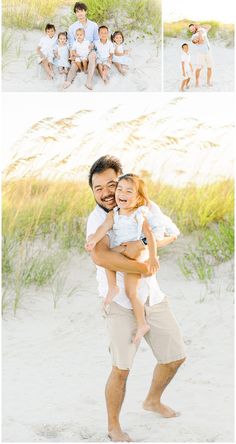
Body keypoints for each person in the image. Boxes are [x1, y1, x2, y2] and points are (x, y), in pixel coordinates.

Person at [86, 155, 186, 442]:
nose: (106, 192)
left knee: (175, 356)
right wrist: (142, 266)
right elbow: (102, 256)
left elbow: (167, 235)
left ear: (124, 184)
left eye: (112, 184)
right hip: (119, 303)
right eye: (98, 187)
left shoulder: (144, 207)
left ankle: (152, 400)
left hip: (151, 295)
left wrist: (142, 244)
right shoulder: (100, 218)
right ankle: (113, 427)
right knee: (121, 369)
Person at [86, 173, 176, 344]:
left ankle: (141, 324)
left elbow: (150, 235)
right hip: (124, 251)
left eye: (128, 191)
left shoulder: (139, 213)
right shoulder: (113, 214)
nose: (121, 194)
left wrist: (152, 257)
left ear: (138, 198)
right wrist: (93, 241)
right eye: (120, 189)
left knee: (131, 292)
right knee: (110, 257)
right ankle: (113, 288)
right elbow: (103, 228)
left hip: (135, 254)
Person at [67, 1, 99, 90]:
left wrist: (92, 45)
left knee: (93, 56)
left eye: (81, 10)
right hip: (78, 51)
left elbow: (97, 40)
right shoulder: (72, 27)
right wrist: (72, 54)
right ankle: (68, 81)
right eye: (77, 11)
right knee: (74, 64)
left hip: (89, 50)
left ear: (85, 11)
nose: (79, 13)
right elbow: (71, 43)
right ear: (75, 13)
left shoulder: (93, 25)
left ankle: (89, 81)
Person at [188, 23, 213, 87]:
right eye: (190, 30)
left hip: (208, 51)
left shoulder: (202, 30)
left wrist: (200, 26)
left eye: (193, 28)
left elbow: (209, 26)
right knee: (199, 68)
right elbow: (201, 41)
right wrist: (199, 32)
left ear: (195, 27)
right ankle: (197, 82)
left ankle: (208, 82)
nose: (192, 30)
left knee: (210, 67)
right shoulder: (193, 37)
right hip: (200, 54)